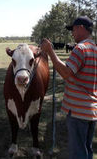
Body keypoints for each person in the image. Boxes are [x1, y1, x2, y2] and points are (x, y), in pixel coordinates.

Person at [41, 16, 96, 159]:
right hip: (91, 109)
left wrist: (50, 51)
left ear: (81, 28)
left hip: (78, 110)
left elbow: (65, 72)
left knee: (78, 152)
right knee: (86, 149)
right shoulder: (94, 48)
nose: (72, 33)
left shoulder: (80, 48)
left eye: (74, 29)